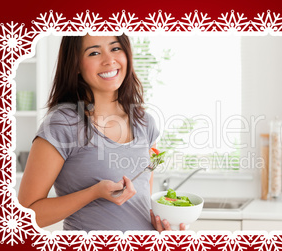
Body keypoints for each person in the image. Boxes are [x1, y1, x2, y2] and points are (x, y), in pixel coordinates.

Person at [18, 34, 185, 232]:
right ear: (76, 64)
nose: (109, 60)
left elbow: (140, 202)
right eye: (94, 52)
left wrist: (161, 232)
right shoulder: (63, 124)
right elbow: (25, 215)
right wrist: (94, 193)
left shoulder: (144, 122)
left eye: (115, 48)